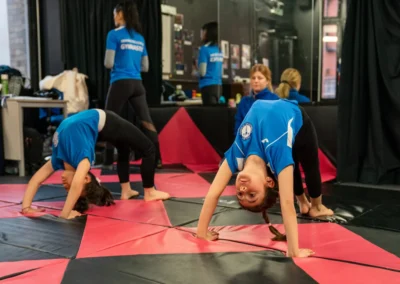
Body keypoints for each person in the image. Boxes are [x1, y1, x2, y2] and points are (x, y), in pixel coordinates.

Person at [196, 99, 333, 257]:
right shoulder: (277, 151)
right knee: (308, 165)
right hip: (299, 120)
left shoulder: (238, 153)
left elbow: (213, 193)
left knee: (288, 165)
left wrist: (202, 231)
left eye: (240, 194)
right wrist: (294, 251)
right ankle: (315, 207)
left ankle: (303, 202)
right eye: (251, 195)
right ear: (268, 182)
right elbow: (287, 203)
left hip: (276, 112)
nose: (242, 189)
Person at [21, 109, 170, 219]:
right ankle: (149, 192)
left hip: (99, 127)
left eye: (66, 189)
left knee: (123, 147)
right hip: (108, 122)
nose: (65, 186)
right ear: (86, 178)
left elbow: (36, 179)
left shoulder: (58, 160)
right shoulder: (83, 159)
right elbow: (77, 182)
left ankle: (126, 190)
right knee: (149, 148)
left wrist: (26, 207)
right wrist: (65, 214)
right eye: (70, 187)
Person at [104, 2, 162, 169]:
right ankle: (157, 158)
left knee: (108, 119)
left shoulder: (113, 35)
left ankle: (108, 160)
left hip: (120, 82)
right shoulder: (139, 37)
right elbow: (146, 67)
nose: (114, 17)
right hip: (137, 84)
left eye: (115, 13)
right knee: (147, 121)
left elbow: (108, 63)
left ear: (121, 14)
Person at [234, 64, 279, 135]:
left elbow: (276, 127)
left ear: (267, 81)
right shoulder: (244, 101)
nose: (256, 81)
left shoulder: (275, 100)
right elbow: (238, 127)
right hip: (246, 142)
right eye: (253, 78)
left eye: (260, 78)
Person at [198, 22, 223, 105]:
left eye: (203, 31)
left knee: (209, 115)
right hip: (219, 86)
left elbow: (202, 72)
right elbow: (221, 72)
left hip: (207, 86)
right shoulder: (219, 49)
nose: (201, 34)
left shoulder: (204, 49)